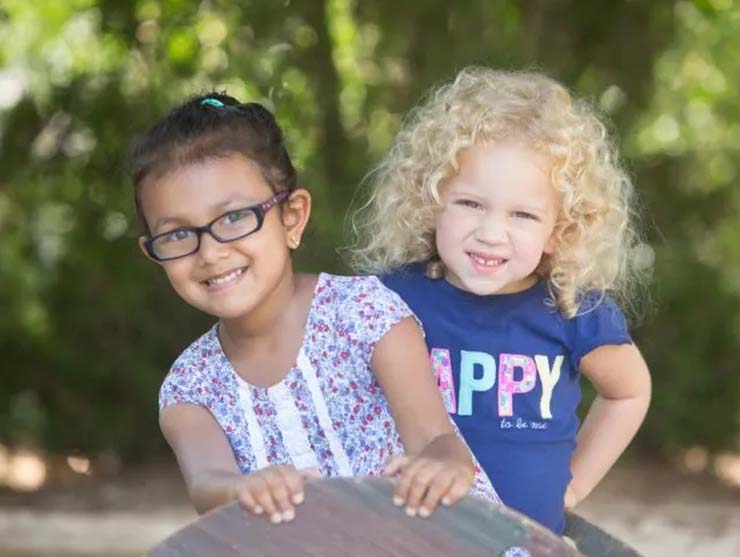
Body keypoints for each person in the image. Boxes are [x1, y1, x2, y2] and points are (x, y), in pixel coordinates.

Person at [128, 92, 498, 526]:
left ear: (292, 217)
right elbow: (208, 481)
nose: (210, 253)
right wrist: (240, 490)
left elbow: (435, 439)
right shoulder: (191, 386)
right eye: (176, 235)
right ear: (155, 254)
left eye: (233, 218)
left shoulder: (362, 313)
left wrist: (443, 467)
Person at [347, 67, 652, 535]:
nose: (491, 234)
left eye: (524, 215)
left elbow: (628, 391)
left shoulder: (572, 310)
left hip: (526, 542)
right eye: (471, 204)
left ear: (560, 230)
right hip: (409, 538)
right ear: (431, 201)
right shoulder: (388, 300)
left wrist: (572, 487)